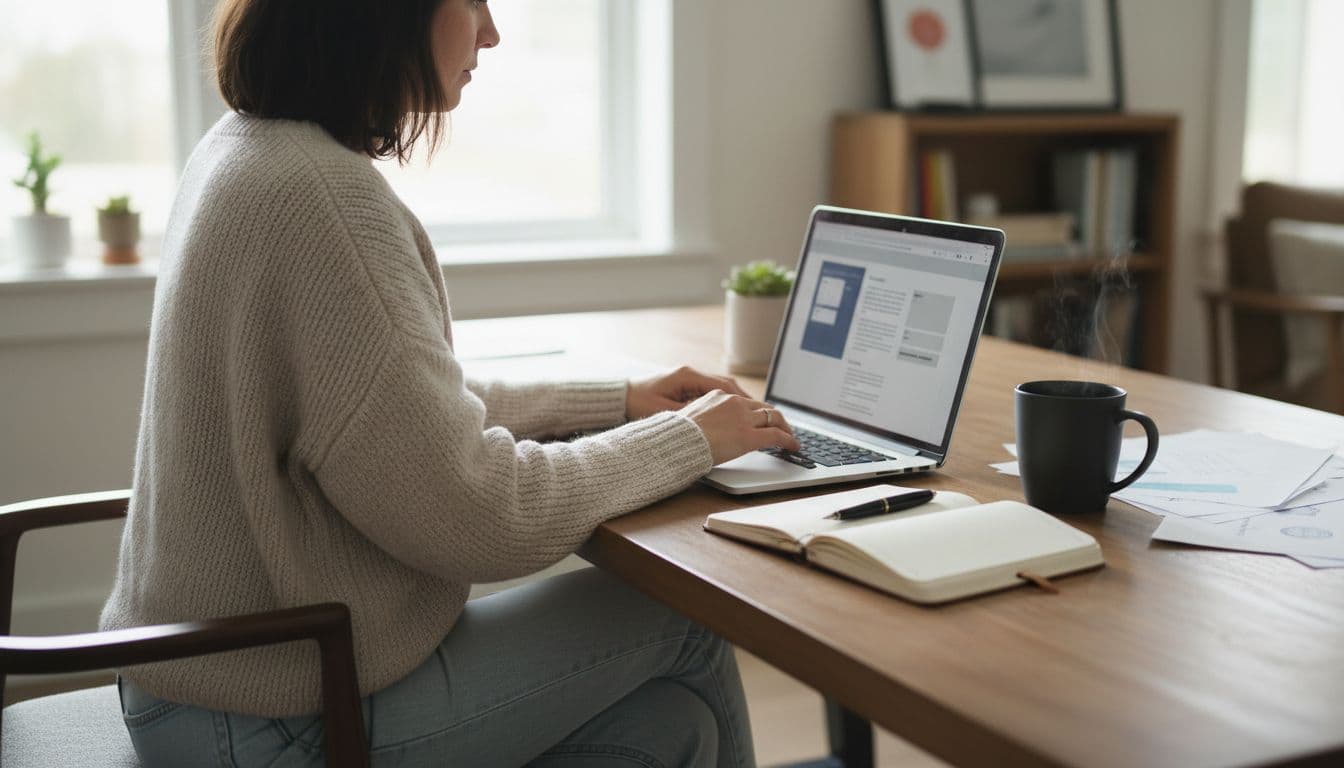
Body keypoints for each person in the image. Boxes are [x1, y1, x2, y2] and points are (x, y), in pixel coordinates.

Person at [98, 1, 801, 766]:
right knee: (688, 621)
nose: (491, 33)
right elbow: (478, 513)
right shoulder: (322, 200)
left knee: (672, 729)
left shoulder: (250, 150)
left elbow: (391, 412)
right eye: (473, 3)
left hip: (206, 683)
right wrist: (686, 440)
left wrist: (616, 402)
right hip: (273, 715)